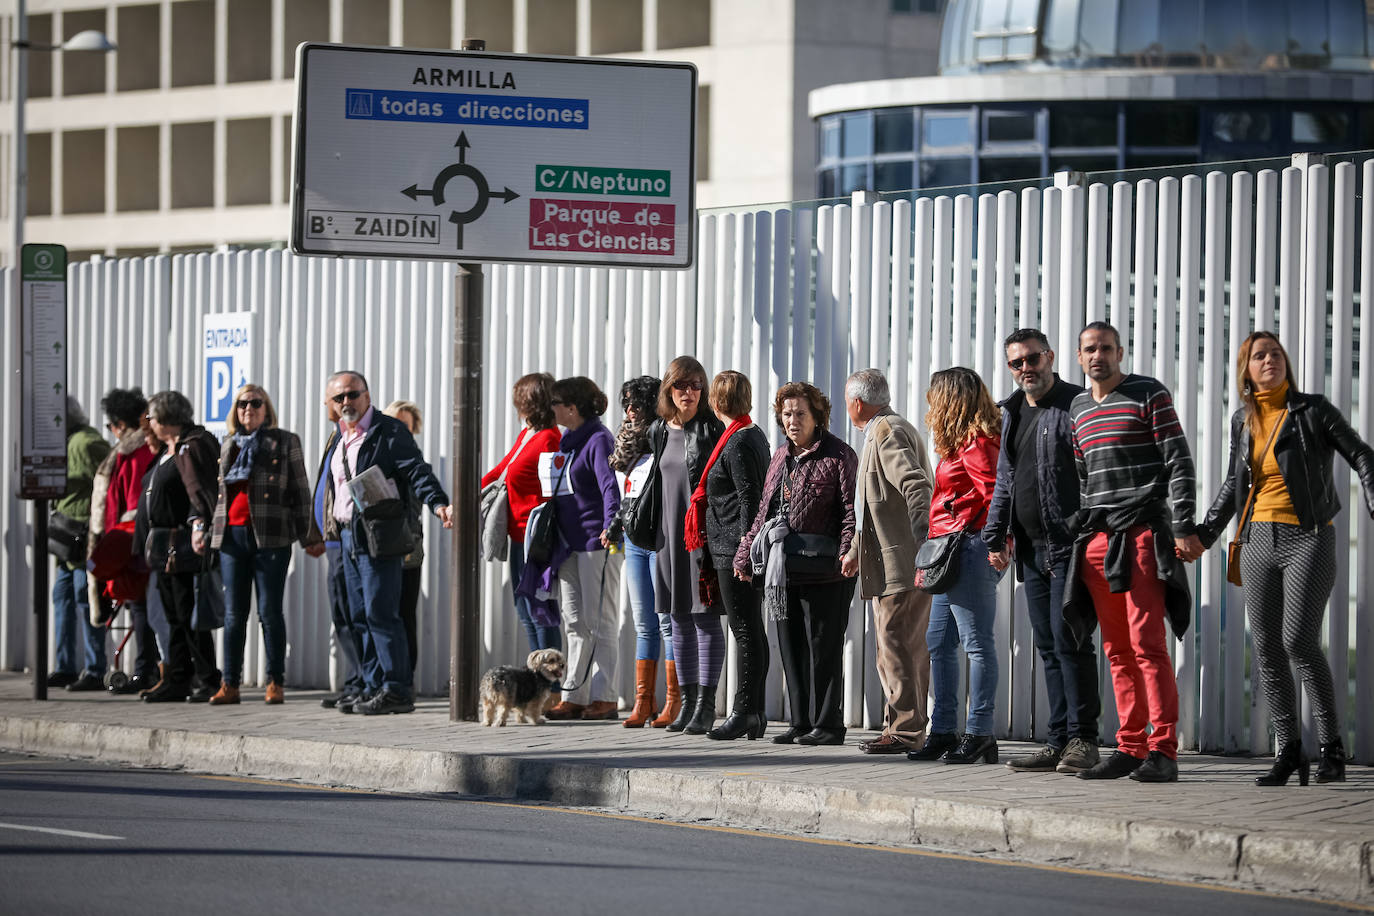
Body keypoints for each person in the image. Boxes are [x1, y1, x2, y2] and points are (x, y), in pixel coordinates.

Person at [1193, 331, 1374, 785]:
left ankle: (1332, 748)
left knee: (1298, 640)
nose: (1269, 359)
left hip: (1306, 537)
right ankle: (1288, 750)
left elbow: (1363, 455)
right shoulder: (1242, 420)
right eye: (1259, 355)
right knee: (1268, 650)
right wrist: (1205, 533)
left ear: (1285, 363)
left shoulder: (1312, 410)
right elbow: (1233, 487)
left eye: (1275, 353)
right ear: (1246, 370)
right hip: (1255, 541)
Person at [1065, 322, 1198, 783]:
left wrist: (1182, 526)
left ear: (1120, 352)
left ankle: (1163, 751)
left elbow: (1179, 461)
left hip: (1142, 534)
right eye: (1089, 349)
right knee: (1116, 649)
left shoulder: (1148, 393)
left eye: (1105, 348)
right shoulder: (1079, 408)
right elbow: (1084, 476)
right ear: (1079, 357)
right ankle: (1128, 746)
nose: (1097, 355)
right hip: (1098, 542)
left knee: (1147, 646)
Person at [984, 330, 1102, 775]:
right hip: (1030, 549)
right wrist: (995, 536)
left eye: (1033, 358)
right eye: (1017, 363)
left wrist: (1081, 528)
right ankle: (1057, 741)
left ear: (1050, 357)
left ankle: (1083, 740)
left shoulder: (1075, 404)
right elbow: (1006, 480)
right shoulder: (1012, 412)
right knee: (1049, 646)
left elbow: (1094, 472)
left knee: (1071, 641)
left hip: (1068, 546)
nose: (1026, 368)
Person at [320, 370, 452, 715]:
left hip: (378, 533)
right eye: (339, 398)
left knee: (381, 611)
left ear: (366, 395)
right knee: (359, 614)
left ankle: (396, 688)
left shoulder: (388, 431)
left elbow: (416, 471)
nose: (346, 402)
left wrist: (438, 503)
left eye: (352, 394)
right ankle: (371, 683)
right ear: (330, 404)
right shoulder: (339, 436)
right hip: (348, 534)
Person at [736, 382, 858, 747]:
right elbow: (764, 511)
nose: (792, 420)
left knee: (824, 646)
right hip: (784, 568)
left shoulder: (839, 455)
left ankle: (829, 725)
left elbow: (853, 510)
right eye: (786, 414)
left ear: (817, 416)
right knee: (791, 647)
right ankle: (801, 722)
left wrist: (848, 550)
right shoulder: (779, 457)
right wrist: (745, 556)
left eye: (800, 413)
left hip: (829, 569)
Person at [906, 368, 1004, 765]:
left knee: (977, 643)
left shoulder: (978, 443)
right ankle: (944, 729)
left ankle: (979, 733)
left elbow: (997, 494)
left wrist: (998, 542)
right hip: (949, 550)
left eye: (935, 396)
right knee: (939, 643)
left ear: (950, 399)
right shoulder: (958, 444)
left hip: (971, 546)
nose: (931, 403)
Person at [203, 384, 320, 705]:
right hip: (232, 538)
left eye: (256, 403)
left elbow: (300, 491)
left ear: (266, 408)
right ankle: (230, 683)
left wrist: (309, 536)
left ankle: (275, 682)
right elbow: (220, 497)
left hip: (272, 536)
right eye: (242, 404)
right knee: (233, 614)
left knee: (269, 611)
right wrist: (208, 533)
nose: (248, 409)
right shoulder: (228, 444)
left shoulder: (284, 441)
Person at [839, 369, 935, 756]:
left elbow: (914, 484)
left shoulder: (886, 432)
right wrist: (854, 551)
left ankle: (905, 730)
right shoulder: (884, 429)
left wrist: (924, 539)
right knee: (901, 647)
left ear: (857, 403)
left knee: (896, 647)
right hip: (895, 561)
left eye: (847, 401)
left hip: (902, 564)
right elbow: (875, 505)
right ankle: (903, 726)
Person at [638, 357, 726, 734]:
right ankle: (687, 702)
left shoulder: (712, 429)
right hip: (666, 537)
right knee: (676, 618)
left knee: (704, 618)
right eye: (680, 386)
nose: (688, 393)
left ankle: (706, 704)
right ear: (668, 390)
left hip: (700, 537)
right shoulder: (658, 430)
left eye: (695, 386)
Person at [696, 371, 770, 740]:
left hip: (733, 549)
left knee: (745, 630)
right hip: (730, 547)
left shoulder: (739, 441)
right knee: (750, 629)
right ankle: (753, 712)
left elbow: (749, 499)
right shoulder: (747, 434)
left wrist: (744, 550)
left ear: (715, 401)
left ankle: (745, 711)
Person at [544, 376, 623, 721]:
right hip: (567, 546)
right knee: (574, 621)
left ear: (571, 408)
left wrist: (611, 528)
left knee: (602, 620)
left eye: (555, 404)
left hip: (597, 543)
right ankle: (573, 695)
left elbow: (610, 488)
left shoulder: (598, 439)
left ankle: (605, 697)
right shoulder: (567, 442)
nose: (551, 410)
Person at [140, 390, 223, 703]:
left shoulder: (195, 444)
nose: (151, 424)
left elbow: (203, 490)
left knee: (190, 613)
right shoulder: (169, 448)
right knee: (173, 615)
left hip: (184, 544)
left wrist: (198, 523)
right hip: (163, 546)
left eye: (153, 418)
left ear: (167, 418)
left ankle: (208, 678)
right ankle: (177, 677)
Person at [606, 375, 675, 728]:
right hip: (633, 540)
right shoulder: (626, 446)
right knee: (642, 624)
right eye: (626, 404)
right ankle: (643, 701)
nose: (630, 411)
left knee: (666, 621)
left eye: (636, 404)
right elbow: (627, 498)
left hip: (661, 539)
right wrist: (614, 526)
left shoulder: (664, 437)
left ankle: (674, 702)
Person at [482, 374, 562, 653]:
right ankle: (539, 684)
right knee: (526, 611)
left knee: (540, 612)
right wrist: (467, 499)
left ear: (530, 402)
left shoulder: (550, 440)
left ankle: (551, 686)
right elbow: (500, 472)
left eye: (520, 399)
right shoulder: (529, 435)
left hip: (535, 539)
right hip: (518, 536)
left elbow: (554, 492)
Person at [88, 387, 160, 693]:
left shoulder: (130, 454)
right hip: (141, 538)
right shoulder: (148, 448)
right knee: (145, 607)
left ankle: (146, 670)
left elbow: (126, 504)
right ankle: (152, 667)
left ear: (119, 424)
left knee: (141, 607)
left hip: (131, 540)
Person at [47, 397, 112, 691]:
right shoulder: (67, 442)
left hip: (83, 538)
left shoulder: (85, 443)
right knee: (62, 598)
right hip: (65, 540)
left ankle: (95, 669)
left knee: (87, 600)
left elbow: (108, 484)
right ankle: (65, 667)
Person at [305, 396, 366, 710]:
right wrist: (314, 533)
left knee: (355, 613)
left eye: (341, 396)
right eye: (331, 397)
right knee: (341, 614)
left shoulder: (356, 436)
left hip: (347, 540)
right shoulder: (335, 435)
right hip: (331, 540)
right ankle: (354, 680)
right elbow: (325, 490)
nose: (332, 402)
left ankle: (363, 681)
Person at [384, 399, 427, 673]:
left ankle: (405, 677)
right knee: (382, 615)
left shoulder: (415, 464)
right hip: (380, 548)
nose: (402, 432)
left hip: (409, 548)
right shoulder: (375, 457)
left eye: (407, 427)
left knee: (405, 615)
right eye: (397, 425)